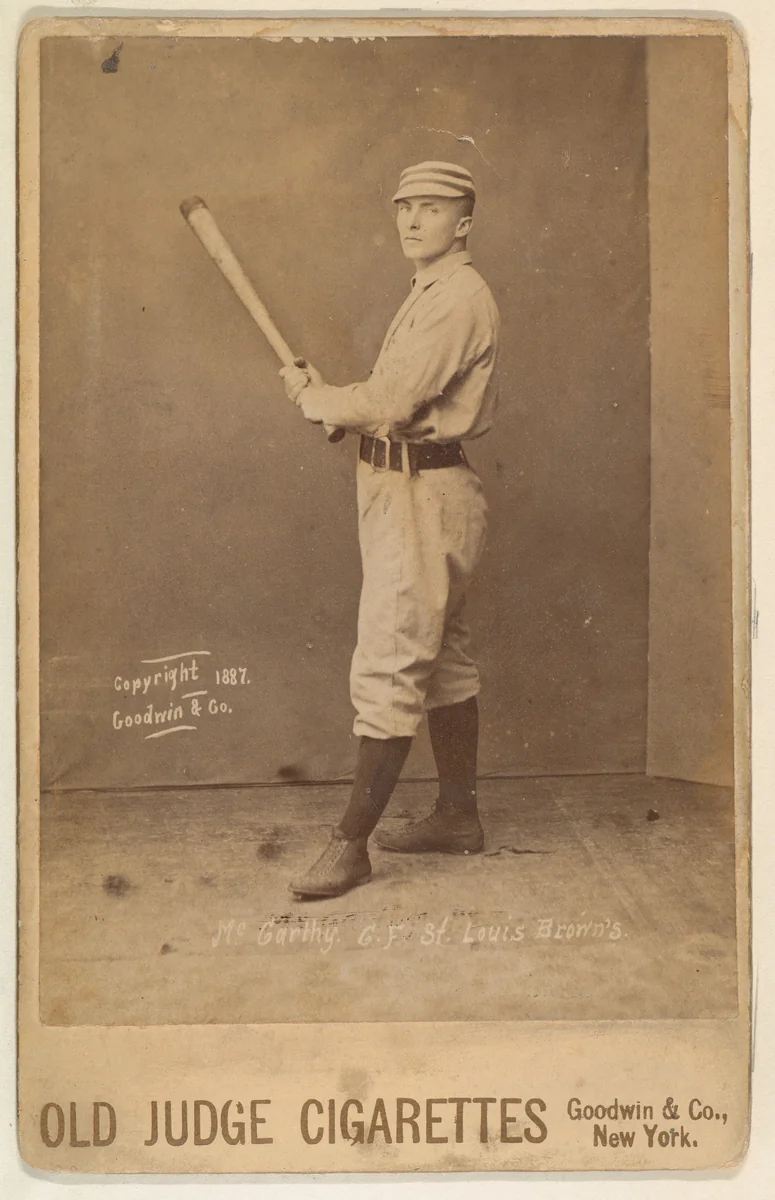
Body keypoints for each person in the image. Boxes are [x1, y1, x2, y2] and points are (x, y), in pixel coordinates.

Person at [280, 161, 500, 899]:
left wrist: (322, 400)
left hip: (422, 491)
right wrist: (337, 403)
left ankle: (349, 846)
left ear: (462, 223)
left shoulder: (456, 298)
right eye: (403, 205)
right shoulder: (431, 290)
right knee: (442, 659)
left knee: (392, 659)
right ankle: (457, 819)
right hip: (410, 482)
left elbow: (397, 398)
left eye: (431, 208)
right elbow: (388, 408)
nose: (411, 219)